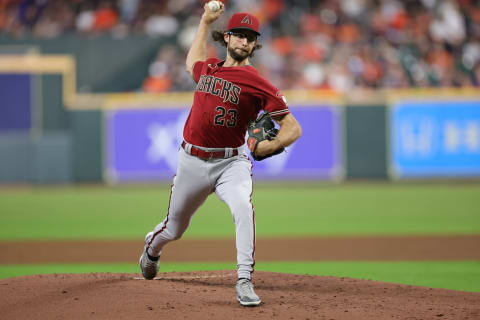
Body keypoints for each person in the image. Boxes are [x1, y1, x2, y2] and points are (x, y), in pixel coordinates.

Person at [139, 2, 302, 307]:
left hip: (232, 162)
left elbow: (292, 127)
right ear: (226, 38)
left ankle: (244, 279)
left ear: (255, 45)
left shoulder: (259, 83)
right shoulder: (209, 68)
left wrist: (269, 146)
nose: (244, 41)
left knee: (243, 206)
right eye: (238, 35)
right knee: (174, 228)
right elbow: (192, 61)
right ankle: (152, 248)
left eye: (249, 37)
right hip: (192, 161)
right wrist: (204, 21)